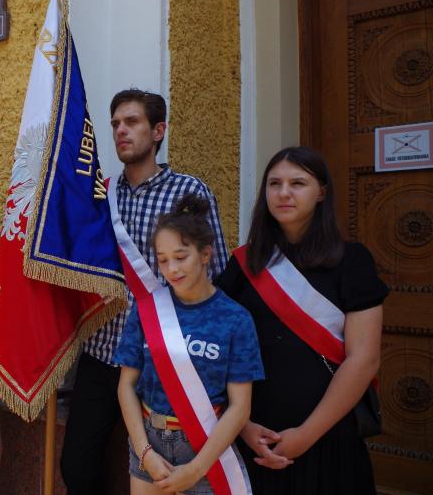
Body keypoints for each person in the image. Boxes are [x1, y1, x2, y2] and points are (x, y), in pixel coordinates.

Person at [60, 89, 229, 495]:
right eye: (116, 123)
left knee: (162, 471)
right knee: (77, 465)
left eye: (132, 122)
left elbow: (217, 272)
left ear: (158, 131)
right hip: (103, 350)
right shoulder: (100, 195)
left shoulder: (189, 193)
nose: (121, 130)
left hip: (164, 353)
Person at [215, 146, 388, 494]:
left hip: (328, 437)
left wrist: (305, 436)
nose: (283, 193)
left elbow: (364, 358)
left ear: (321, 191)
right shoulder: (244, 264)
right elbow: (216, 347)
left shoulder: (352, 260)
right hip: (254, 437)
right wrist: (242, 425)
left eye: (298, 183)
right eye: (274, 183)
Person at [115, 194, 263, 494]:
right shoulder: (146, 312)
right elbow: (126, 386)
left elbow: (240, 407)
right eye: (163, 260)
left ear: (206, 254)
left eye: (181, 257)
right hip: (148, 443)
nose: (172, 270)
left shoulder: (236, 319)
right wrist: (145, 453)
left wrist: (196, 469)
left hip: (207, 448)